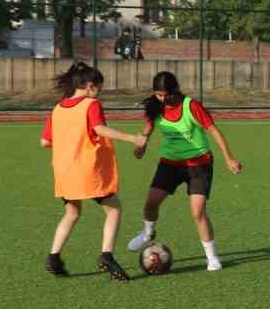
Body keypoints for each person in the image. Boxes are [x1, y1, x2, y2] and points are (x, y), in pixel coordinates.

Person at [40, 61, 147, 282]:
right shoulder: (91, 104)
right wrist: (133, 138)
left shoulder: (58, 108)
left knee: (72, 213)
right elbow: (99, 129)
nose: (99, 92)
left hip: (64, 171)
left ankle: (53, 257)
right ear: (89, 85)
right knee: (114, 210)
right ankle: (107, 255)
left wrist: (69, 142)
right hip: (87, 170)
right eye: (98, 87)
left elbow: (44, 141)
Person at [127, 72, 243, 271]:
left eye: (166, 95)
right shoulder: (156, 106)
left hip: (199, 165)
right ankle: (147, 234)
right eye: (158, 95)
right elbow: (147, 130)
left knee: (198, 212)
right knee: (150, 203)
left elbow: (213, 130)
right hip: (170, 164)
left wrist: (229, 157)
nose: (163, 99)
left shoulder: (191, 106)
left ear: (175, 90)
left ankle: (212, 257)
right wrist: (141, 146)